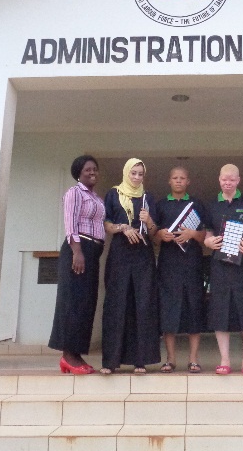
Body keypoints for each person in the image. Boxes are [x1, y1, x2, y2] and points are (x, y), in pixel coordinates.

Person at [204, 164, 243, 375]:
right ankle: (224, 360)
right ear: (219, 180)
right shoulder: (212, 205)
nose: (228, 183)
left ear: (238, 180)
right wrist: (208, 242)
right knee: (221, 311)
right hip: (220, 266)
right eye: (224, 179)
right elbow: (207, 234)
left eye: (232, 179)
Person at [100, 158, 160, 374]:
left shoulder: (147, 197)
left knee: (142, 305)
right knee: (117, 304)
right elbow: (106, 225)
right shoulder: (113, 194)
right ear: (126, 172)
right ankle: (110, 362)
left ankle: (140, 360)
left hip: (143, 256)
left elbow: (154, 233)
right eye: (133, 173)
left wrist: (149, 219)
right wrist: (123, 228)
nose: (136, 177)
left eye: (140, 174)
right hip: (119, 255)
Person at [48, 155, 105, 375]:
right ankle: (67, 355)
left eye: (95, 169)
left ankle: (77, 354)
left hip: (93, 252)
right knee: (72, 302)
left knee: (86, 303)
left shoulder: (96, 198)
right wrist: (77, 252)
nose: (93, 173)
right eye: (88, 170)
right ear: (78, 173)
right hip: (78, 251)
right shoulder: (75, 193)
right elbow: (70, 224)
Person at [155, 166, 207, 374]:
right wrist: (160, 235)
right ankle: (171, 359)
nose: (178, 181)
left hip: (192, 265)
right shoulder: (160, 205)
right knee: (169, 311)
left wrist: (193, 234)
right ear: (169, 181)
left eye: (182, 178)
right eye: (175, 178)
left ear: (188, 182)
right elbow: (152, 237)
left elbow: (206, 237)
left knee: (194, 309)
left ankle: (193, 359)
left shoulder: (197, 205)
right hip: (168, 266)